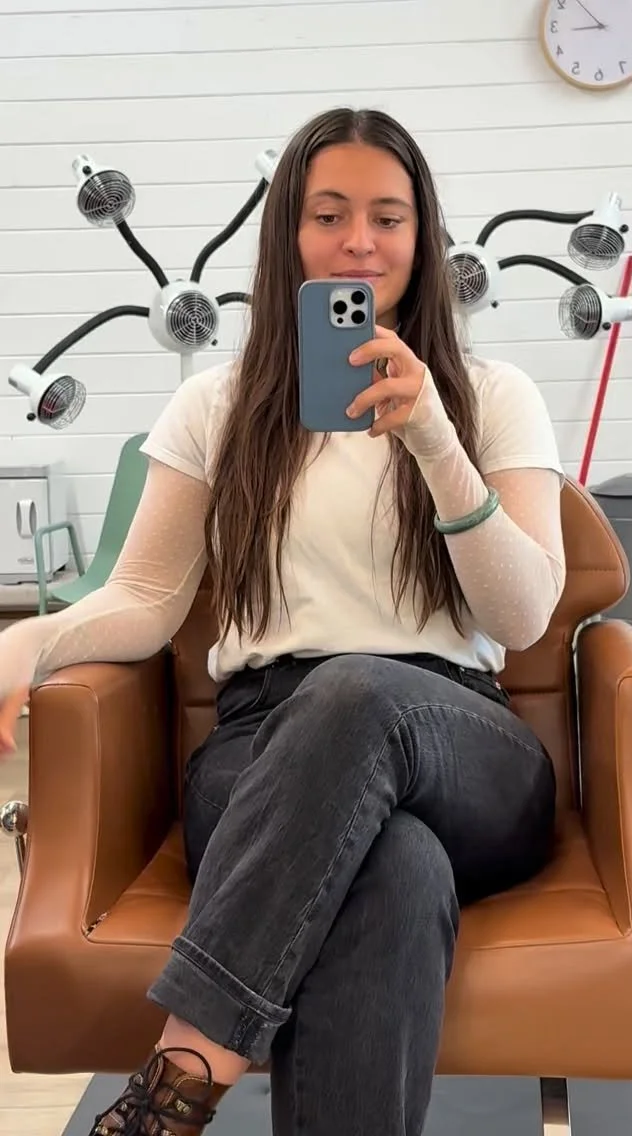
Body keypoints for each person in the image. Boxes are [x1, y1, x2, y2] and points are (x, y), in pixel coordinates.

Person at [0, 107, 565, 1136]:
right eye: (329, 214)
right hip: (264, 747)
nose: (360, 243)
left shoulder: (493, 396)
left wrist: (437, 443)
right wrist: (28, 637)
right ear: (287, 235)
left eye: (388, 217)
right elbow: (145, 598)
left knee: (358, 689)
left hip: (462, 739)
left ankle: (177, 1082)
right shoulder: (214, 407)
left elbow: (522, 614)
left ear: (422, 235)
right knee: (393, 869)